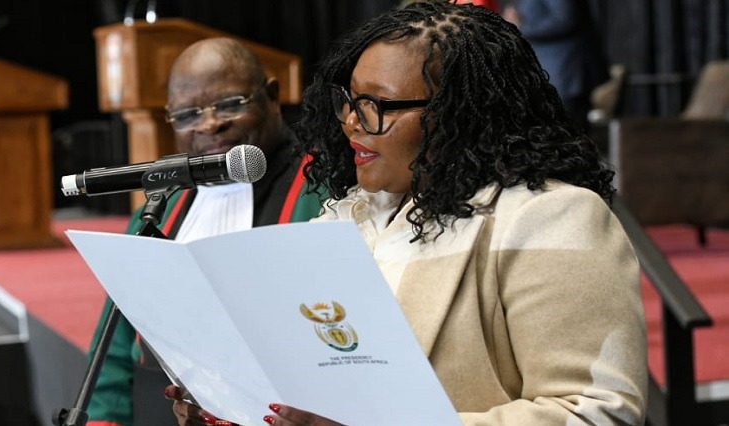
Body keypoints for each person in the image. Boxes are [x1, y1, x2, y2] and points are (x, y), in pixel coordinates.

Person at [168, 2, 648, 425]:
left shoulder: (551, 216)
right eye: (349, 101)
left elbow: (593, 411)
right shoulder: (346, 216)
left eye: (376, 105)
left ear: (459, 113)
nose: (352, 122)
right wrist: (231, 402)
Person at [85, 37, 323, 426]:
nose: (210, 124)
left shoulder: (323, 191)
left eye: (230, 104)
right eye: (187, 114)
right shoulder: (159, 210)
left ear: (272, 96)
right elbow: (113, 349)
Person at [502, 0, 608, 130]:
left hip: (564, 74)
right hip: (548, 76)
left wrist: (521, 27)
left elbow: (564, 20)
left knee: (569, 132)